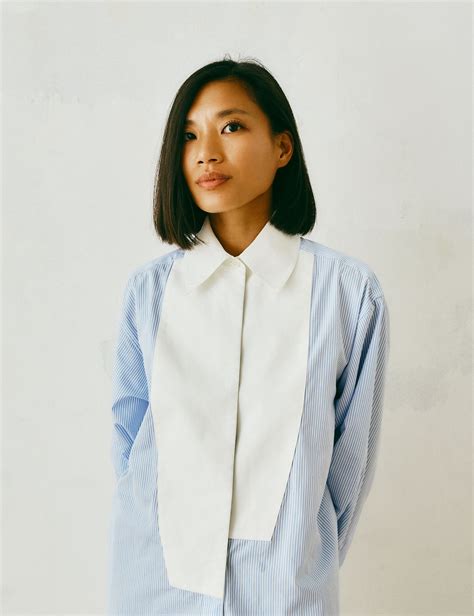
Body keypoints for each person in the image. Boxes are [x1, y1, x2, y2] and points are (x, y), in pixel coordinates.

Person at [107, 56, 390, 616]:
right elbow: (130, 437)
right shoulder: (150, 293)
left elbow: (348, 468)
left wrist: (296, 561)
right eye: (189, 136)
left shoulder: (348, 294)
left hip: (285, 593)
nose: (206, 153)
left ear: (282, 147)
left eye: (231, 126)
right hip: (154, 588)